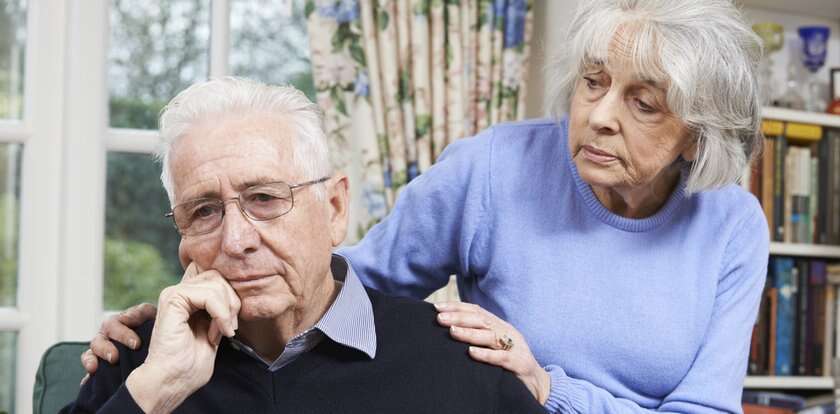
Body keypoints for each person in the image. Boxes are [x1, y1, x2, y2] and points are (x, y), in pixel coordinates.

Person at [85, 0, 770, 411]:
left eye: (642, 103)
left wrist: (547, 387)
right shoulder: (495, 168)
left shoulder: (733, 227)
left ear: (698, 133)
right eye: (592, 83)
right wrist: (177, 317)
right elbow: (335, 276)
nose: (598, 116)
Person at [61, 78, 546, 414]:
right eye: (205, 211)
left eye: (266, 199)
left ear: (335, 208)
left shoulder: (459, 361)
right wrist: (153, 391)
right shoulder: (143, 364)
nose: (236, 240)